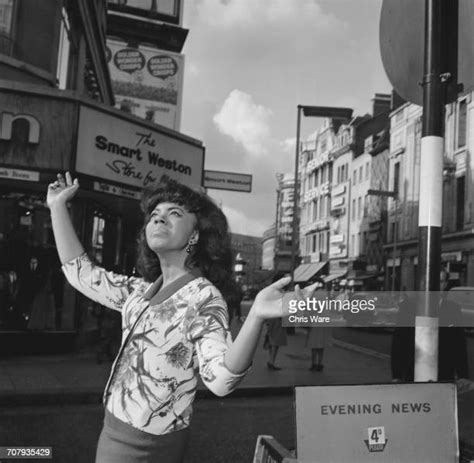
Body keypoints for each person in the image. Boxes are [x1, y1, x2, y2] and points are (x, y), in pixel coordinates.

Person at [47, 172, 313, 463]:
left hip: (146, 448)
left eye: (174, 213)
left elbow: (221, 380)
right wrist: (58, 206)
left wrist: (257, 315)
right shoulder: (141, 291)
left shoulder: (202, 297)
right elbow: (82, 274)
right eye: (155, 214)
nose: (159, 219)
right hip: (112, 431)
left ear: (195, 235)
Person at [265, 273, 288, 370]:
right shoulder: (279, 291)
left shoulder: (271, 290)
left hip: (271, 317)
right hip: (277, 318)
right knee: (276, 341)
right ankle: (271, 362)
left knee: (272, 340)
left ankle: (271, 360)